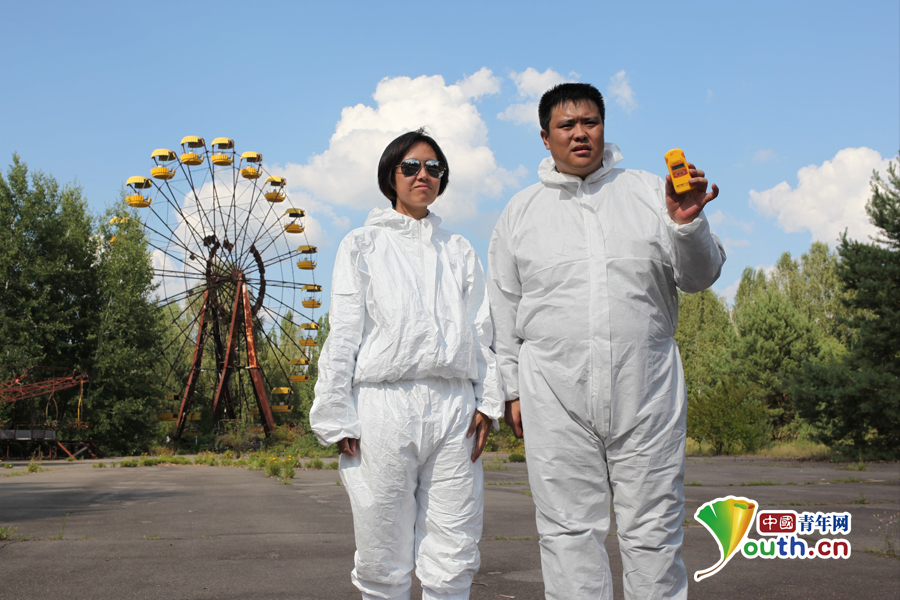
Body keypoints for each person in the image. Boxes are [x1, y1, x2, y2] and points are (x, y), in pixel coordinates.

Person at [487, 83, 726, 599]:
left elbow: (701, 276)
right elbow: (503, 307)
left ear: (603, 127)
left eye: (590, 122)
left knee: (654, 531)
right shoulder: (520, 212)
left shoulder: (649, 192)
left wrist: (687, 224)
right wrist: (511, 388)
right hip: (553, 393)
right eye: (566, 125)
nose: (580, 133)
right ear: (545, 137)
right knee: (567, 533)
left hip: (647, 389)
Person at [310, 129, 505, 600]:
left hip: (455, 407)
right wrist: (335, 412)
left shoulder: (458, 249)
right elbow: (346, 329)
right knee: (382, 544)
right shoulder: (362, 244)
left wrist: (488, 400)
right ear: (390, 176)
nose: (424, 175)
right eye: (411, 167)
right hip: (383, 404)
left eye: (434, 168)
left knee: (455, 544)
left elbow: (481, 330)